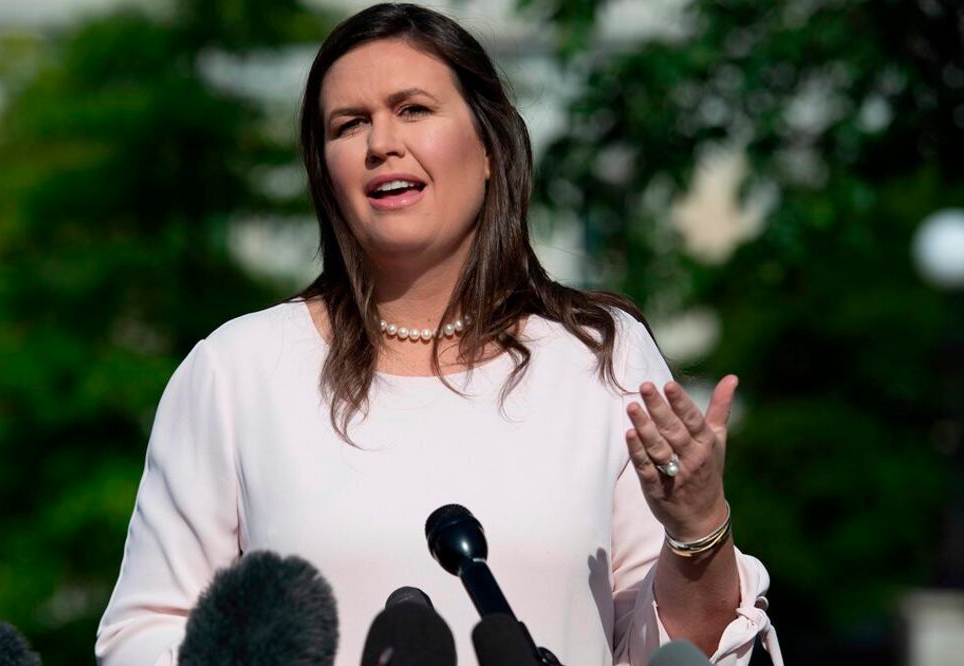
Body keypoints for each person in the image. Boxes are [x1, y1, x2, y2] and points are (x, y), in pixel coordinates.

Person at [95, 3, 782, 665]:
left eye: (413, 110)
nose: (381, 144)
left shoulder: (600, 358)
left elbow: (670, 656)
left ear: (488, 148)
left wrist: (698, 528)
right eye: (348, 125)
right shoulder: (237, 370)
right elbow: (143, 634)